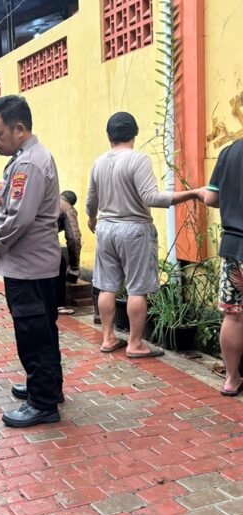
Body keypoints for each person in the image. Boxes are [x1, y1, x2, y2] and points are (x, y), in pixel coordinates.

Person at [86, 112, 204, 359]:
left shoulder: (98, 162)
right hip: (134, 229)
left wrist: (93, 218)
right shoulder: (138, 160)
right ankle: (135, 344)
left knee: (107, 286)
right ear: (136, 131)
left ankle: (108, 337)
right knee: (136, 288)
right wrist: (192, 193)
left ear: (109, 136)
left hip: (106, 229)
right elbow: (152, 198)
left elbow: (90, 201)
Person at [0, 95, 63, 428]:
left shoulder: (29, 163)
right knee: (44, 332)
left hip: (28, 267)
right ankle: (46, 388)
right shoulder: (28, 158)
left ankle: (42, 402)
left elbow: (20, 218)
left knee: (33, 335)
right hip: (34, 265)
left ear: (19, 129)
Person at [203, 138, 243, 396]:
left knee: (234, 314)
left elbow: (210, 197)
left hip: (234, 248)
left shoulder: (229, 152)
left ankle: (231, 379)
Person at [57, 190, 83, 315]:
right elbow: (73, 238)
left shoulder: (51, 200)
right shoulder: (67, 208)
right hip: (43, 240)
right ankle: (59, 305)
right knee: (59, 264)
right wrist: (74, 266)